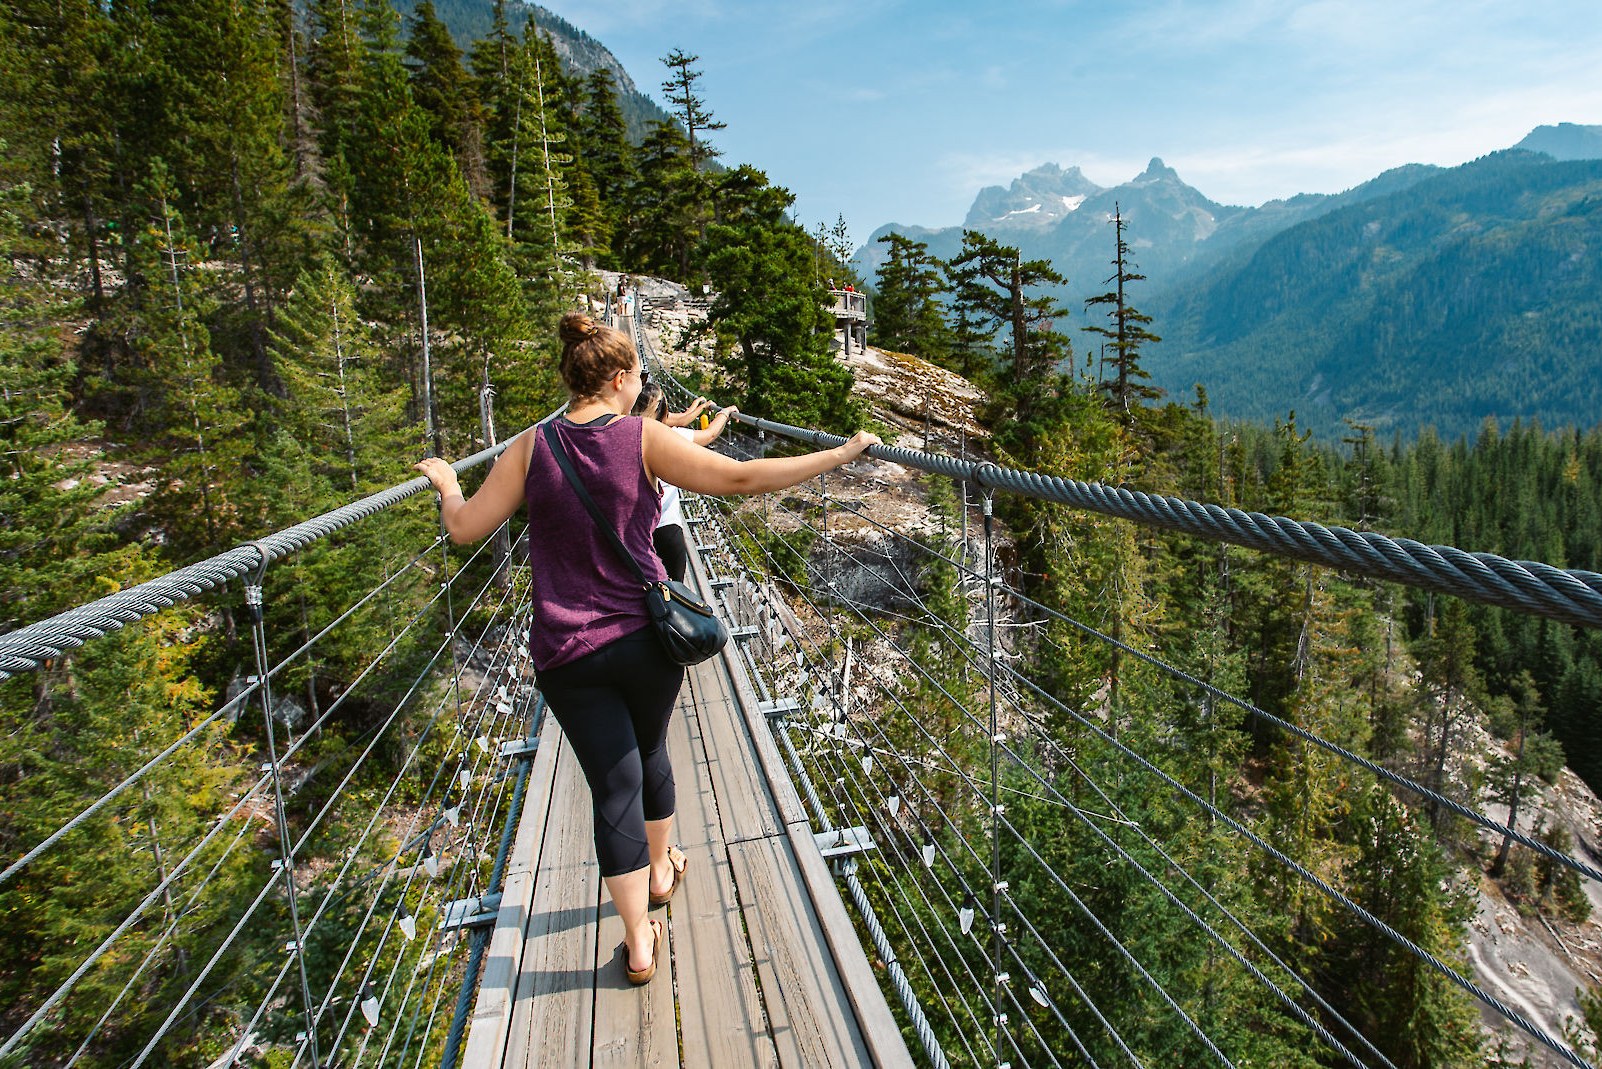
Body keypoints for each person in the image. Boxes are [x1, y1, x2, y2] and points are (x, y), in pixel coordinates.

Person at [413, 312, 877, 986]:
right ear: (621, 378)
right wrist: (838, 455)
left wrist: (449, 482)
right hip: (644, 638)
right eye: (636, 383)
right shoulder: (642, 438)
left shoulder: (529, 447)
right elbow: (741, 480)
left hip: (566, 652)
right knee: (652, 749)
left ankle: (637, 943)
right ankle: (661, 871)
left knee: (613, 784)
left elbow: (463, 528)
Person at [631, 381, 738, 582]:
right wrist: (724, 412)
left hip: (634, 531)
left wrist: (697, 406)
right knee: (675, 593)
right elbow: (709, 434)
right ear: (663, 411)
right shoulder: (672, 437)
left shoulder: (622, 436)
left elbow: (680, 419)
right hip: (666, 529)